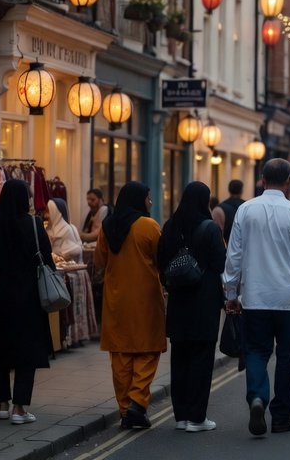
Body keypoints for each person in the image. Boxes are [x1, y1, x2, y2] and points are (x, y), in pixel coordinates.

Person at [223, 158, 290, 436]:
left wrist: (231, 292)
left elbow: (234, 256)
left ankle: (257, 397)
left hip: (254, 297)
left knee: (255, 351)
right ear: (289, 181)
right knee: (286, 356)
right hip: (288, 298)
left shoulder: (245, 210)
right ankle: (280, 416)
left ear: (262, 180)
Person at [0, 179, 53, 425]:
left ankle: (2, 405)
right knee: (25, 354)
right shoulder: (34, 225)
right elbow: (47, 260)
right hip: (27, 300)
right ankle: (20, 409)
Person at [95, 182, 166, 430]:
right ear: (139, 200)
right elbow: (162, 258)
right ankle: (137, 402)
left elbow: (100, 260)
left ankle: (126, 410)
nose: (150, 203)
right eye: (148, 198)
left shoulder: (107, 226)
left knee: (121, 355)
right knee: (148, 351)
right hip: (145, 296)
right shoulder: (149, 225)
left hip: (116, 298)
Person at [156, 182, 226, 433]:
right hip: (204, 301)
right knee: (201, 358)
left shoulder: (170, 226)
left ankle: (181, 416)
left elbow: (161, 262)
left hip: (178, 301)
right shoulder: (210, 228)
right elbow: (220, 264)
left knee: (180, 358)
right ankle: (197, 418)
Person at [45, 198, 82, 263]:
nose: (46, 215)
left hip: (69, 270)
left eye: (49, 211)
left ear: (55, 212)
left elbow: (74, 251)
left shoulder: (67, 229)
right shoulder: (47, 229)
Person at [215, 179, 246, 245]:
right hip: (244, 247)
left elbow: (217, 233)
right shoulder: (247, 207)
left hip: (227, 246)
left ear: (229, 190)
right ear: (241, 190)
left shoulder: (220, 208)